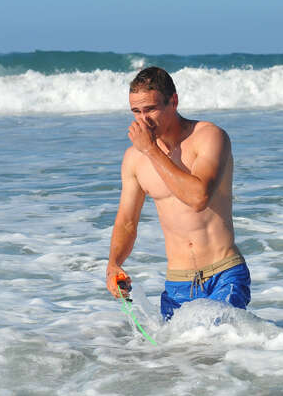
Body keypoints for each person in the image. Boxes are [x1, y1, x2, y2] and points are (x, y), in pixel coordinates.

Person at [106, 67, 250, 320]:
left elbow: (198, 198)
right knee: (178, 356)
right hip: (177, 284)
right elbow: (127, 221)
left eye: (150, 109)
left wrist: (151, 150)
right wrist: (114, 264)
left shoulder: (209, 137)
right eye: (136, 112)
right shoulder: (133, 159)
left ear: (173, 101)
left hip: (223, 274)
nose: (143, 120)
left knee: (214, 347)